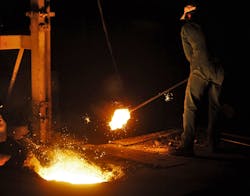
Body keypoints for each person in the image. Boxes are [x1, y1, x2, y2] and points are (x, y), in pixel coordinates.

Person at [171, 1, 224, 156]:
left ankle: (187, 145)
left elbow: (189, 56)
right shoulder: (216, 22)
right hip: (220, 69)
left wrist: (198, 66)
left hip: (199, 69)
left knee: (190, 106)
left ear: (189, 15)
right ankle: (213, 144)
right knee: (215, 107)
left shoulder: (187, 28)